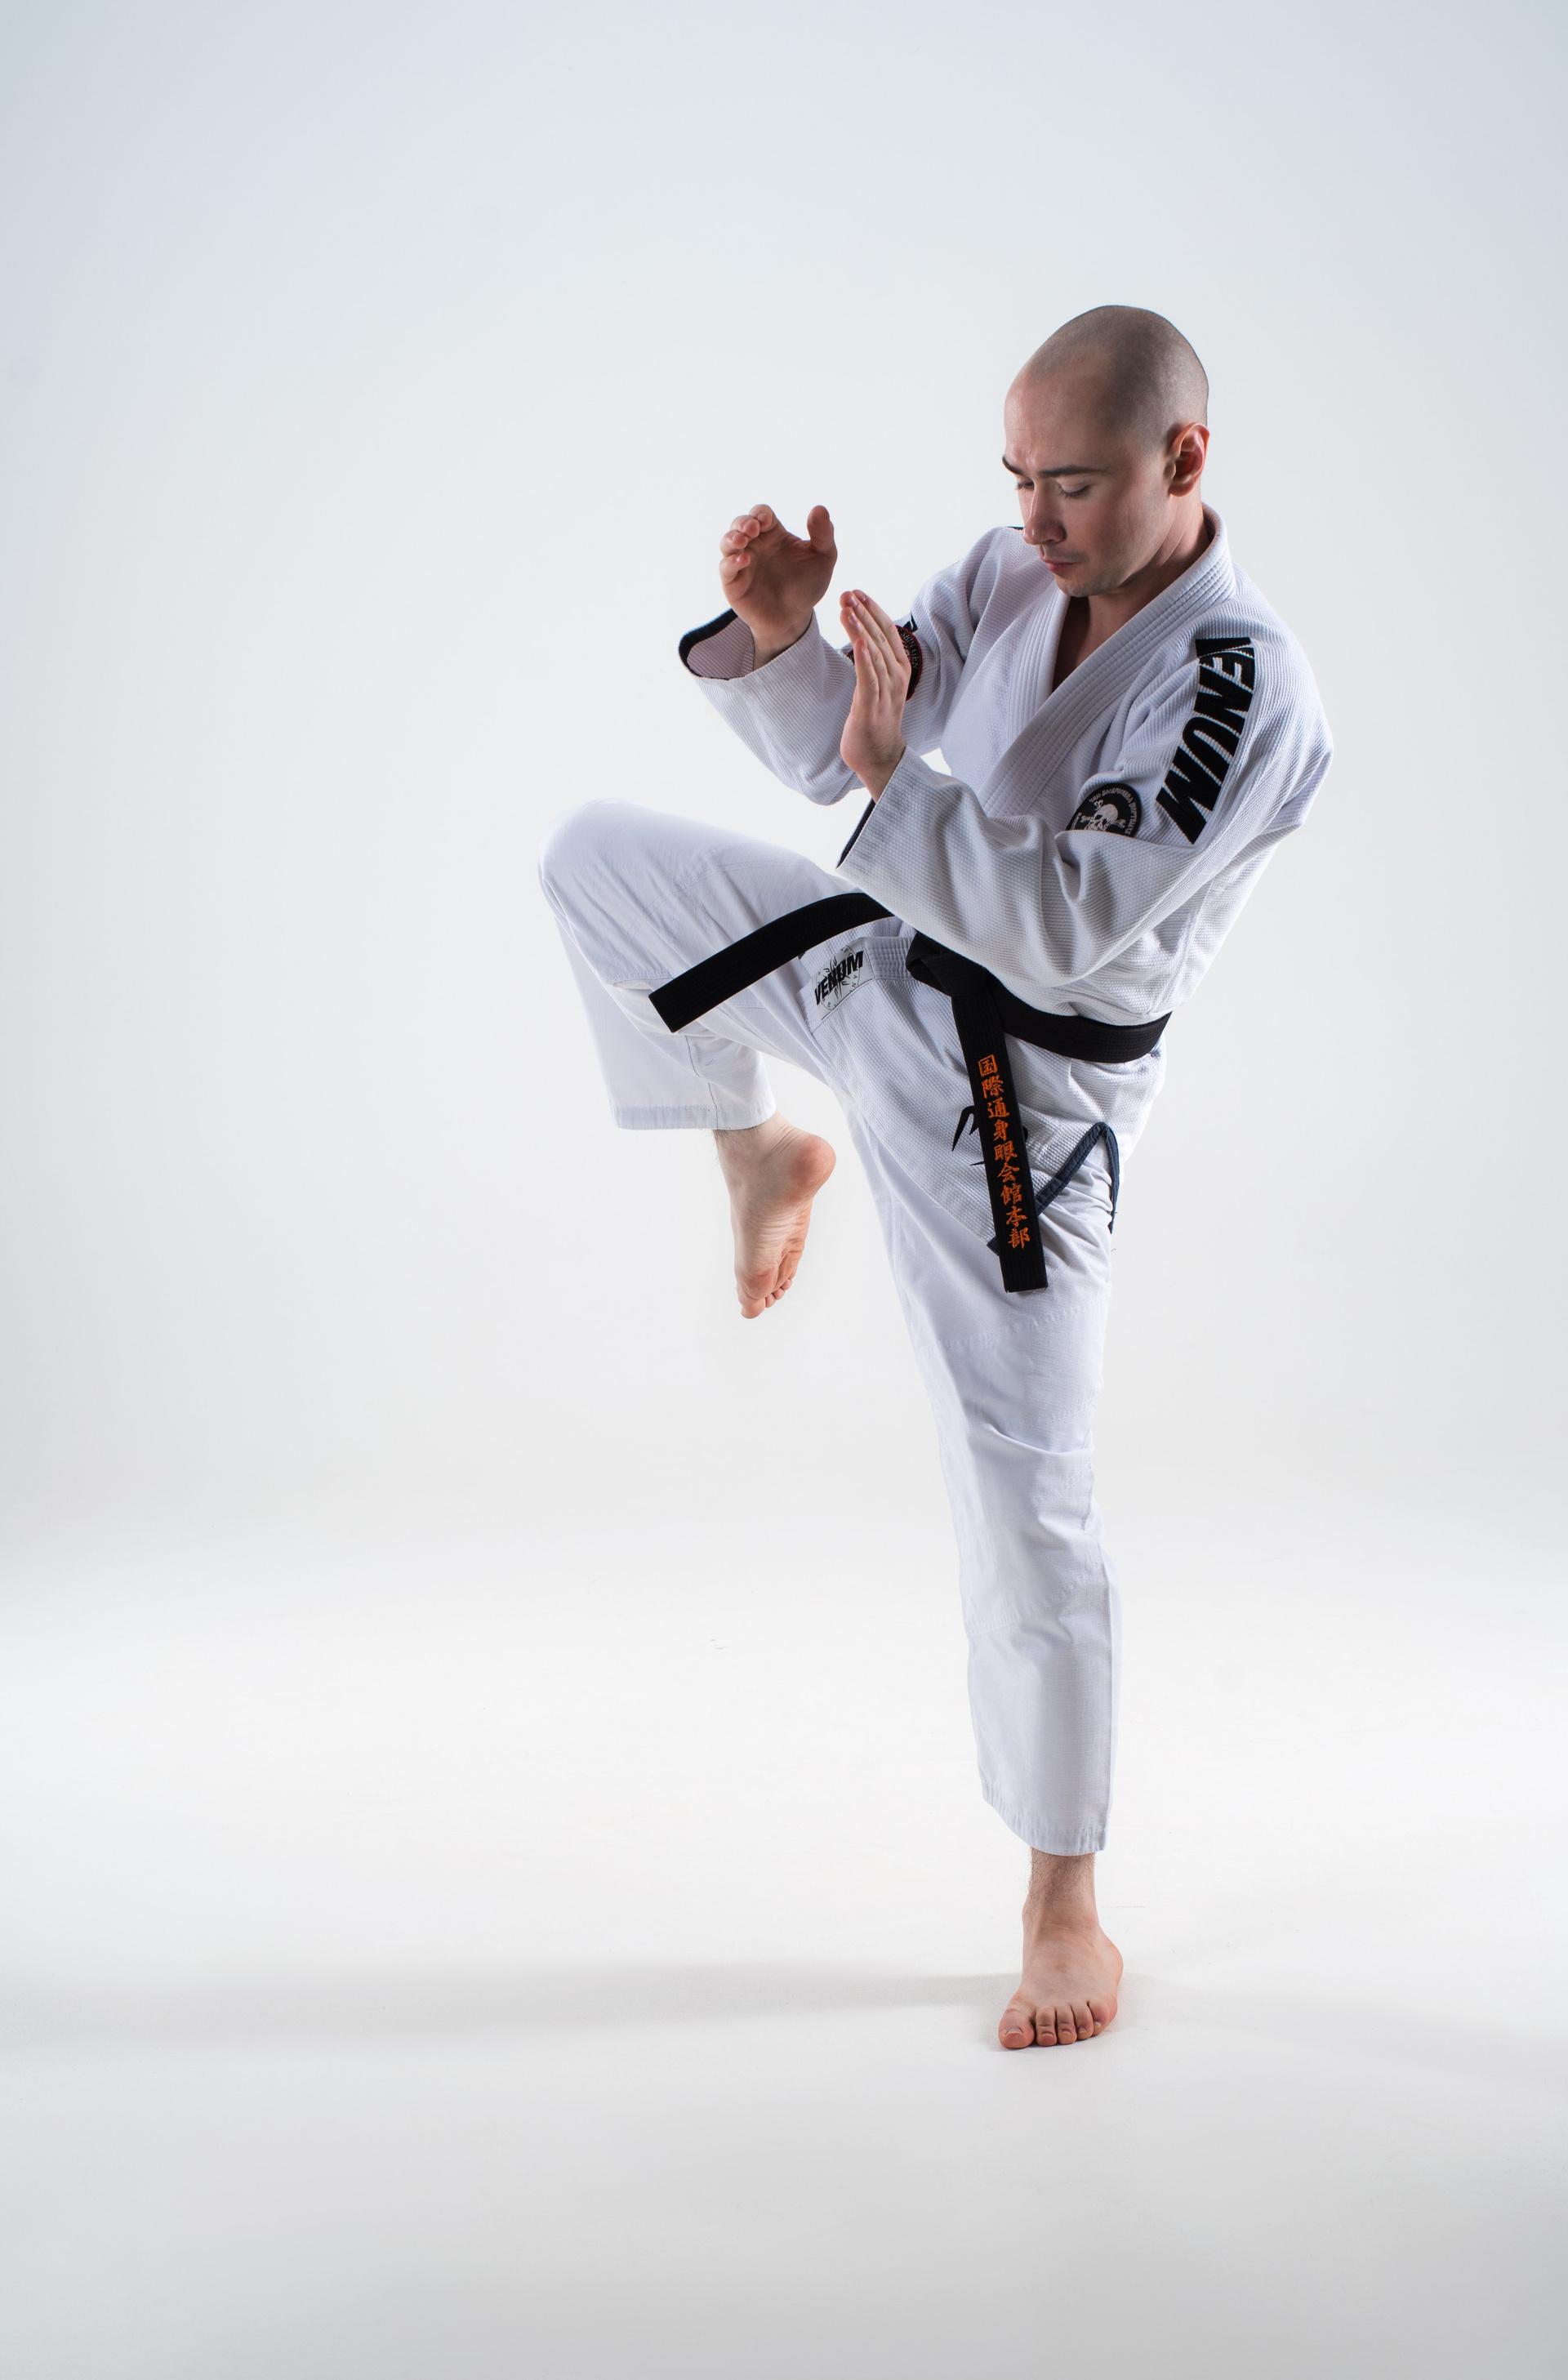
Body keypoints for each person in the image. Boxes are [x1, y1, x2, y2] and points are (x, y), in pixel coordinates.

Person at [540, 306, 1331, 2048]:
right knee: (593, 863)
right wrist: (785, 642)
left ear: (1184, 459)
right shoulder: (1010, 566)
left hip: (1023, 1106)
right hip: (890, 962)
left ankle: (1066, 1902)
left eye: (1073, 484)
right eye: (1017, 477)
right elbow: (852, 742)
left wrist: (895, 772)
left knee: (1025, 1487)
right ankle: (760, 1142)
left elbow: (1063, 918)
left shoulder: (1241, 684)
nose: (1033, 518)